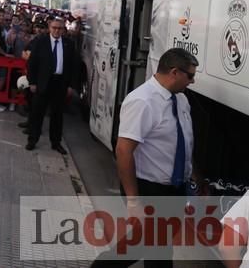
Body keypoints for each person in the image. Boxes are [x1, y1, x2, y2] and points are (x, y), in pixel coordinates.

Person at [91, 48, 198, 267]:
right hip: (149, 188)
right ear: (175, 72)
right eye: (190, 75)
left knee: (157, 247)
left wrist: (195, 175)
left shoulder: (181, 100)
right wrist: (133, 201)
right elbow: (123, 150)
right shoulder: (142, 101)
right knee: (146, 246)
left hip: (174, 188)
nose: (193, 81)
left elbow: (183, 142)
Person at [24, 17, 79, 154]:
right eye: (54, 27)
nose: (56, 30)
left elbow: (74, 66)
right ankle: (33, 140)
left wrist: (71, 85)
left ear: (63, 30)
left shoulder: (69, 44)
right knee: (38, 113)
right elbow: (32, 63)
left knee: (57, 115)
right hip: (42, 83)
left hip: (60, 83)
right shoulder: (41, 41)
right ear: (49, 28)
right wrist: (32, 82)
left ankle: (56, 142)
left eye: (59, 28)